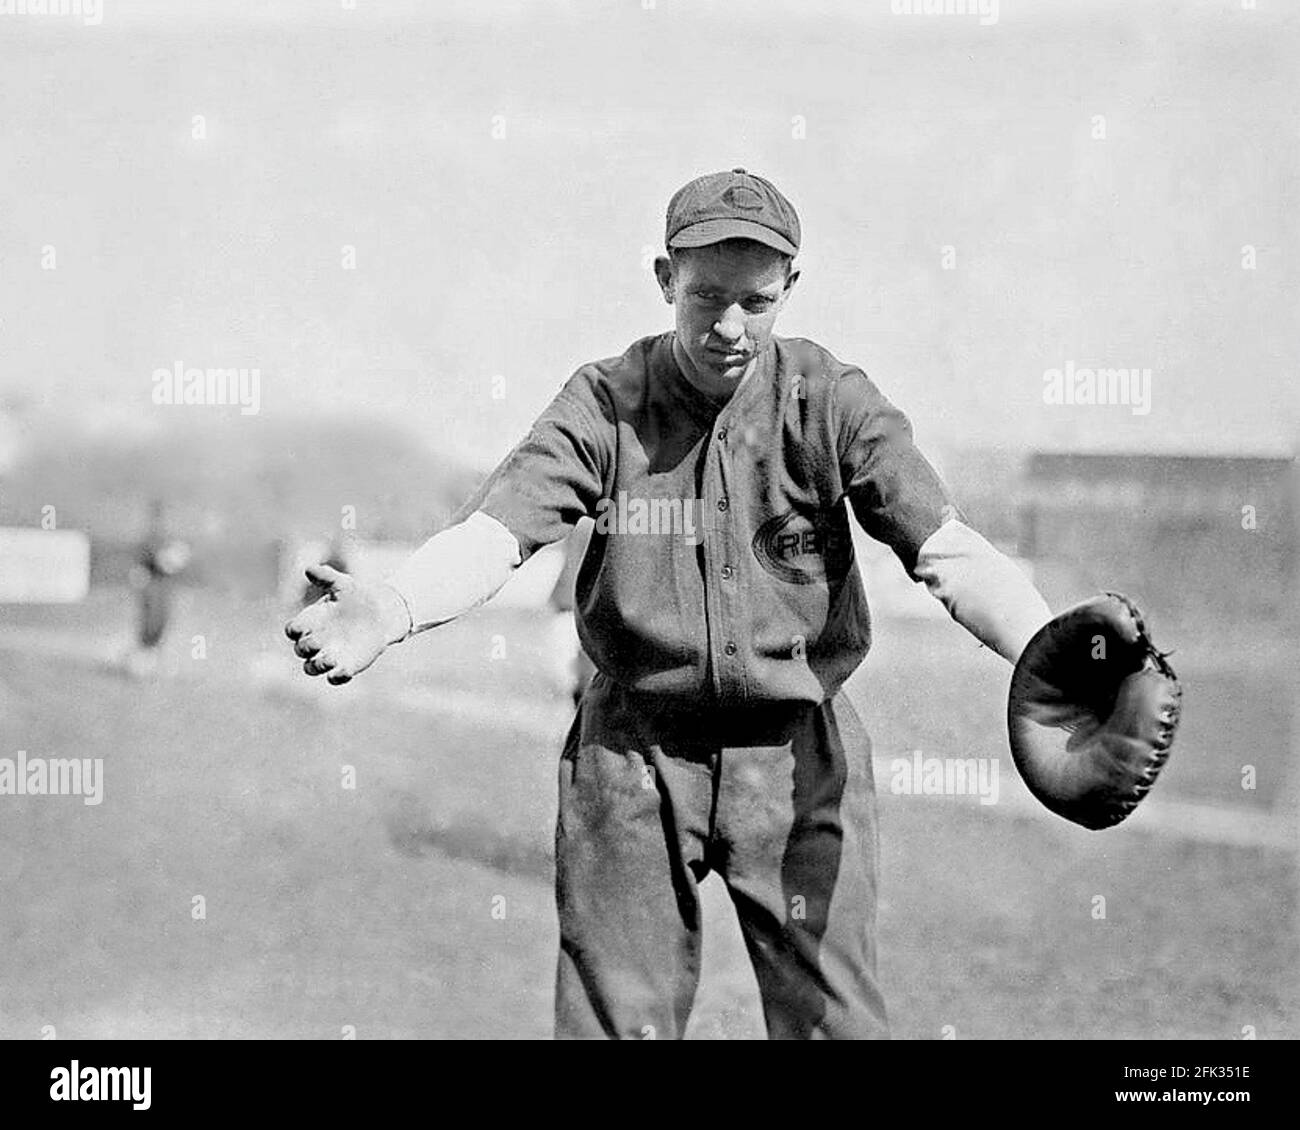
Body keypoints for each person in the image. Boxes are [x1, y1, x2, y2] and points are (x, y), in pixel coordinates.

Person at [285, 169, 1053, 1039]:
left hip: (798, 753)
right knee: (620, 1027)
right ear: (664, 281)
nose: (730, 327)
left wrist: (1042, 643)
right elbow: (497, 533)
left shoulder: (831, 399)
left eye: (756, 303)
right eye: (706, 297)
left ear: (789, 291)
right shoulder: (605, 401)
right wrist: (390, 607)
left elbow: (943, 546)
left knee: (838, 1027)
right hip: (635, 758)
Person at [125, 499, 189, 678]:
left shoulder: (169, 539)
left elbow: (172, 563)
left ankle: (149, 662)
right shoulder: (151, 538)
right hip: (152, 586)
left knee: (162, 622)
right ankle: (139, 662)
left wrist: (176, 557)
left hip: (163, 586)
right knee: (151, 623)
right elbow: (157, 563)